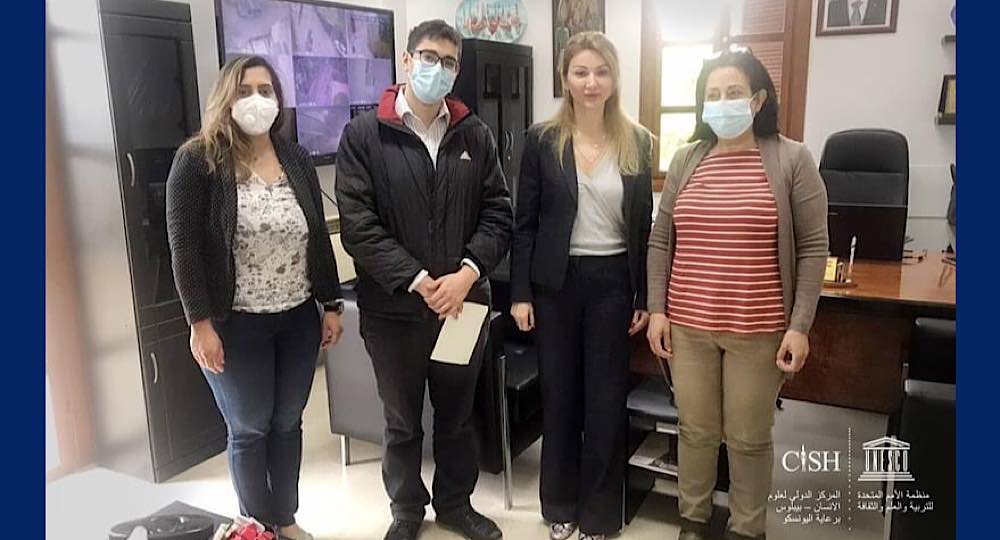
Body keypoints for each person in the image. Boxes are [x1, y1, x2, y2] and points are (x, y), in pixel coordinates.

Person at [334, 19, 512, 540]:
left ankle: (455, 505)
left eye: (449, 62)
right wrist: (416, 279)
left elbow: (498, 214)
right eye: (429, 57)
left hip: (462, 307)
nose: (438, 68)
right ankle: (407, 510)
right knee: (402, 421)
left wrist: (466, 275)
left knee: (457, 416)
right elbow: (358, 226)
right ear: (407, 61)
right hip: (393, 311)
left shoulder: (474, 135)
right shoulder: (365, 135)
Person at [645, 47, 828, 540]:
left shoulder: (792, 158)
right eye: (712, 94)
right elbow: (660, 239)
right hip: (688, 327)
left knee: (747, 438)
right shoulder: (687, 159)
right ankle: (693, 521)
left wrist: (800, 326)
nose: (722, 102)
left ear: (758, 99)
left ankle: (747, 529)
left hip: (758, 329)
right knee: (696, 431)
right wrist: (658, 309)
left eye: (733, 92)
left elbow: (814, 248)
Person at [166, 55, 344, 540]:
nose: (256, 100)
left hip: (296, 318)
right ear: (225, 98)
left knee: (287, 423)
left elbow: (316, 236)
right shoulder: (197, 161)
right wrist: (199, 324)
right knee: (249, 429)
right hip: (233, 323)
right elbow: (184, 249)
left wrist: (331, 304)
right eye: (245, 91)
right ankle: (257, 529)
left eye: (266, 90)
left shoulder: (296, 159)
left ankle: (284, 519)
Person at [510, 31, 653, 540]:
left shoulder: (637, 140)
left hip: (612, 282)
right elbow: (524, 223)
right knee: (561, 396)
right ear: (565, 79)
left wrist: (644, 296)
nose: (592, 82)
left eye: (601, 72)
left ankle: (600, 515)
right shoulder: (541, 140)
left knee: (605, 401)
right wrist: (520, 293)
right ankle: (560, 506)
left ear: (614, 79)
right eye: (581, 72)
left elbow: (643, 227)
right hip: (556, 284)